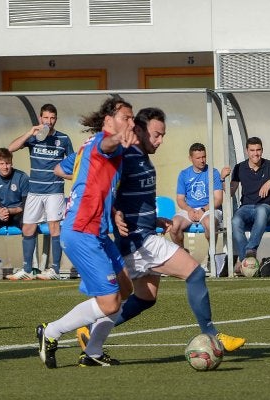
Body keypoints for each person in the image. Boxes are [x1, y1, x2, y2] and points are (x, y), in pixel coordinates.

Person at [76, 107, 246, 359]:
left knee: (145, 297)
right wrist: (113, 214)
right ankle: (212, 336)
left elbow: (132, 198)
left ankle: (90, 331)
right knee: (195, 273)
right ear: (141, 131)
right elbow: (101, 186)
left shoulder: (142, 157)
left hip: (142, 235)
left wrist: (154, 219)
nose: (160, 140)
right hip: (138, 241)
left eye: (163, 135)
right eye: (156, 135)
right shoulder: (127, 155)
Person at [36, 96, 137, 368]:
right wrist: (118, 140)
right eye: (126, 118)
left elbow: (59, 169)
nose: (131, 122)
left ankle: (92, 352)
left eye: (132, 118)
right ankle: (51, 332)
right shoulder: (107, 143)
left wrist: (92, 187)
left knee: (126, 288)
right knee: (110, 302)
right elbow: (108, 144)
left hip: (98, 231)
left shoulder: (86, 146)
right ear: (108, 121)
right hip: (82, 229)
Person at [7, 103, 74, 280]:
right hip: (34, 190)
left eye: (52, 118)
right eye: (46, 118)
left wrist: (65, 176)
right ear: (40, 118)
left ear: (56, 119)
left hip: (54, 190)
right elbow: (10, 149)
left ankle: (55, 270)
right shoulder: (34, 137)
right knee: (28, 227)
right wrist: (30, 132)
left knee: (54, 227)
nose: (49, 121)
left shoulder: (64, 139)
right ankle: (27, 269)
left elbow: (74, 166)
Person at [226, 136, 270, 272]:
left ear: (262, 150)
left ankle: (250, 250)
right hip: (246, 208)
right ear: (247, 151)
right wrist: (223, 178)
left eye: (258, 150)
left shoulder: (269, 165)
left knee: (261, 211)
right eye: (252, 150)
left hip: (266, 209)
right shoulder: (239, 167)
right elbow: (229, 192)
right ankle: (247, 263)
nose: (255, 153)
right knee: (235, 221)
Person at [170, 142, 225, 249]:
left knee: (210, 224)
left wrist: (203, 210)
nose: (202, 160)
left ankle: (211, 254)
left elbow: (218, 199)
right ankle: (183, 255)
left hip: (209, 209)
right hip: (190, 209)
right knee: (174, 226)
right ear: (190, 158)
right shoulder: (184, 174)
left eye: (204, 157)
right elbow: (180, 199)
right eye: (198, 158)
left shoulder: (213, 173)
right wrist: (189, 210)